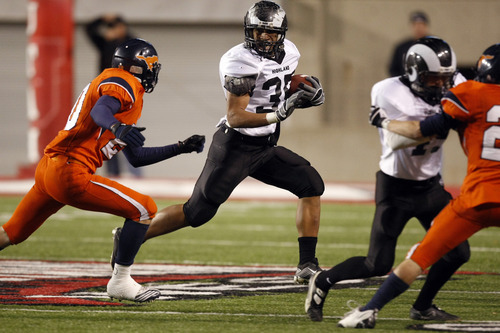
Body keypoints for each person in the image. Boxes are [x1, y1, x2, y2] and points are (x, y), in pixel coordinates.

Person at [110, 0, 326, 284]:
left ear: (281, 32)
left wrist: (307, 93)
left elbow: (280, 85)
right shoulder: (239, 60)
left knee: (311, 184)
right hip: (235, 145)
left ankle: (307, 265)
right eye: (257, 31)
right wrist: (282, 111)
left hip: (265, 145)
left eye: (268, 32)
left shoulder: (290, 52)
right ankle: (130, 236)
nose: (262, 37)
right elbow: (236, 116)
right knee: (196, 212)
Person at [0, 38, 205, 303]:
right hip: (70, 172)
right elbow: (101, 110)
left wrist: (180, 147)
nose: (154, 72)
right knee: (144, 209)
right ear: (138, 67)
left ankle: (121, 280)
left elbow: (137, 158)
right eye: (151, 66)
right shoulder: (124, 82)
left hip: (50, 169)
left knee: (11, 232)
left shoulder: (129, 97)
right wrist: (117, 128)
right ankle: (120, 282)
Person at [305, 37, 471, 322]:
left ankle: (422, 307)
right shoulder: (389, 91)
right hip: (396, 188)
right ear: (415, 73)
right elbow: (404, 137)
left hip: (431, 186)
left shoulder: (456, 81)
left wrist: (385, 120)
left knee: (458, 252)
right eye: (433, 78)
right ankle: (323, 280)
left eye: (444, 78)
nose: (440, 85)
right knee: (377, 263)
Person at [337, 43, 500, 329]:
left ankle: (369, 310)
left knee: (422, 255)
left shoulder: (469, 95)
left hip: (476, 199)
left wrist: (384, 121)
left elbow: (417, 130)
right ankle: (420, 307)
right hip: (416, 186)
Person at [85, 14, 141, 178]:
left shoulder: (128, 45)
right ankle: (113, 174)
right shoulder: (106, 43)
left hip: (125, 95)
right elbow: (88, 30)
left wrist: (120, 27)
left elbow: (138, 43)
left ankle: (136, 174)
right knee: (106, 135)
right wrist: (102, 19)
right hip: (107, 93)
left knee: (129, 133)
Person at [388, 11, 430, 77]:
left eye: (421, 25)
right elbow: (393, 69)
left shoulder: (435, 45)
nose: (418, 28)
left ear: (426, 26)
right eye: (415, 25)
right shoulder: (401, 47)